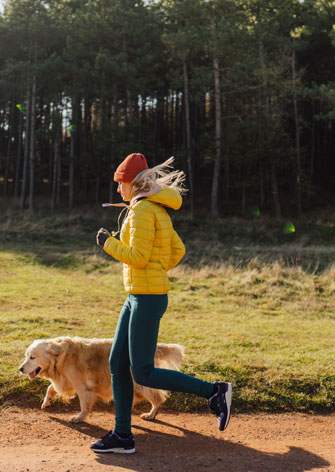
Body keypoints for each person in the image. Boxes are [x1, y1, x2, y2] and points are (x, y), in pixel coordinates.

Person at [90, 153, 233, 455]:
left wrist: (109, 244)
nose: (118, 190)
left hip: (147, 297)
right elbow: (177, 249)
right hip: (138, 295)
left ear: (132, 183)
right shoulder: (154, 208)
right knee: (117, 363)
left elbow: (139, 257)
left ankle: (215, 391)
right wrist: (156, 267)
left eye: (120, 184)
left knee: (142, 372)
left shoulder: (143, 211)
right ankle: (122, 435)